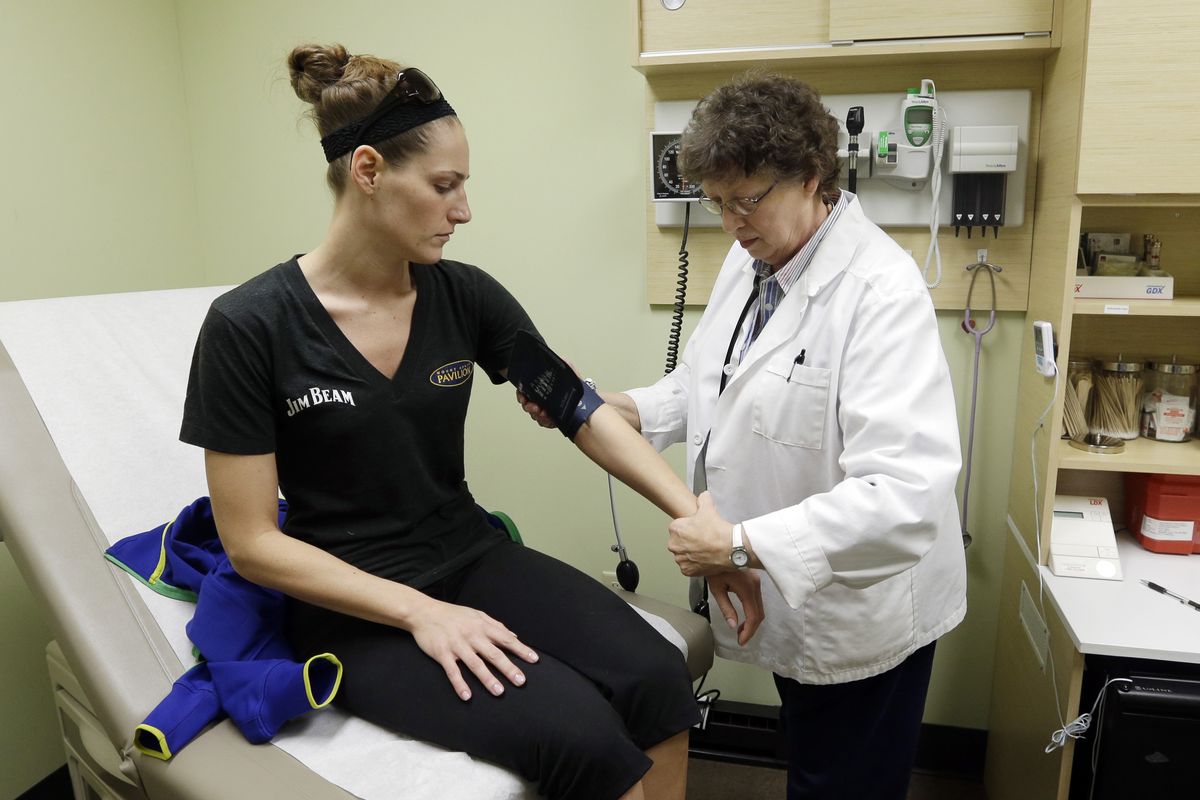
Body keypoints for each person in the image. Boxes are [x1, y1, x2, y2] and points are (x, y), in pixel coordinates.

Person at [179, 42, 734, 800]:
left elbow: (578, 407)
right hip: (352, 605)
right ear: (369, 171)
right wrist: (423, 614)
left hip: (470, 554)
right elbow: (251, 544)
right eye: (445, 186)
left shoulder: (461, 296)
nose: (464, 210)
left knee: (657, 676)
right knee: (579, 737)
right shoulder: (250, 326)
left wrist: (703, 525)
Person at [530, 72, 967, 799]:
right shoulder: (754, 257)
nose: (732, 221)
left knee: (846, 783)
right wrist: (613, 406)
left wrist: (736, 545)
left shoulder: (880, 292)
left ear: (812, 175)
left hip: (863, 607)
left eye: (749, 199)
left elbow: (904, 495)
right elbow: (707, 383)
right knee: (815, 762)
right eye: (718, 202)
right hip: (787, 591)